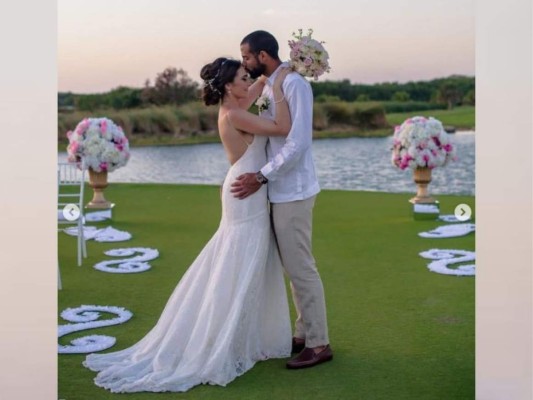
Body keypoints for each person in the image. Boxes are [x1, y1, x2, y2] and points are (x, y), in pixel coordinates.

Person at [83, 58, 294, 393]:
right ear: (228, 86)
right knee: (236, 259)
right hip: (245, 191)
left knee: (242, 258)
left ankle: (245, 336)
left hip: (246, 187)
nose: (249, 80)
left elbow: (257, 87)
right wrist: (281, 88)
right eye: (243, 77)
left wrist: (279, 71)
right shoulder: (236, 114)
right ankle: (219, 338)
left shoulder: (235, 105)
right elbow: (283, 127)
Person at [232, 30, 333, 369]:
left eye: (246, 56)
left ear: (263, 55)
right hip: (278, 189)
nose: (244, 62)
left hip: (294, 190)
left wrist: (261, 175)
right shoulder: (271, 84)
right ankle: (303, 334)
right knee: (293, 267)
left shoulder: (294, 85)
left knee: (301, 268)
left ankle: (319, 344)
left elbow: (298, 141)